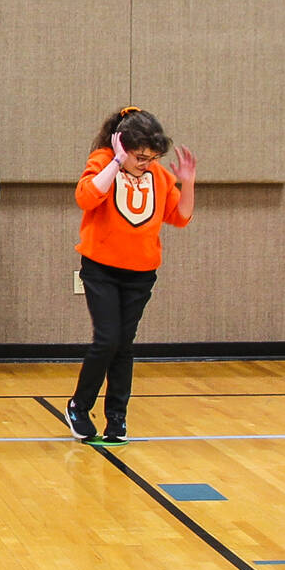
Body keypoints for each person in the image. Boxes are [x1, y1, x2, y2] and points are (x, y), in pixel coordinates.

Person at [65, 107, 194, 446]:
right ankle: (79, 405)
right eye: (139, 157)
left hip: (141, 274)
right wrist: (115, 162)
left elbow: (180, 217)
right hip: (101, 269)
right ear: (122, 146)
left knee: (124, 344)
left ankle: (117, 418)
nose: (146, 163)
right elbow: (86, 197)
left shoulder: (160, 176)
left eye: (152, 158)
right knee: (106, 339)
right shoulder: (102, 161)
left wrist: (188, 181)